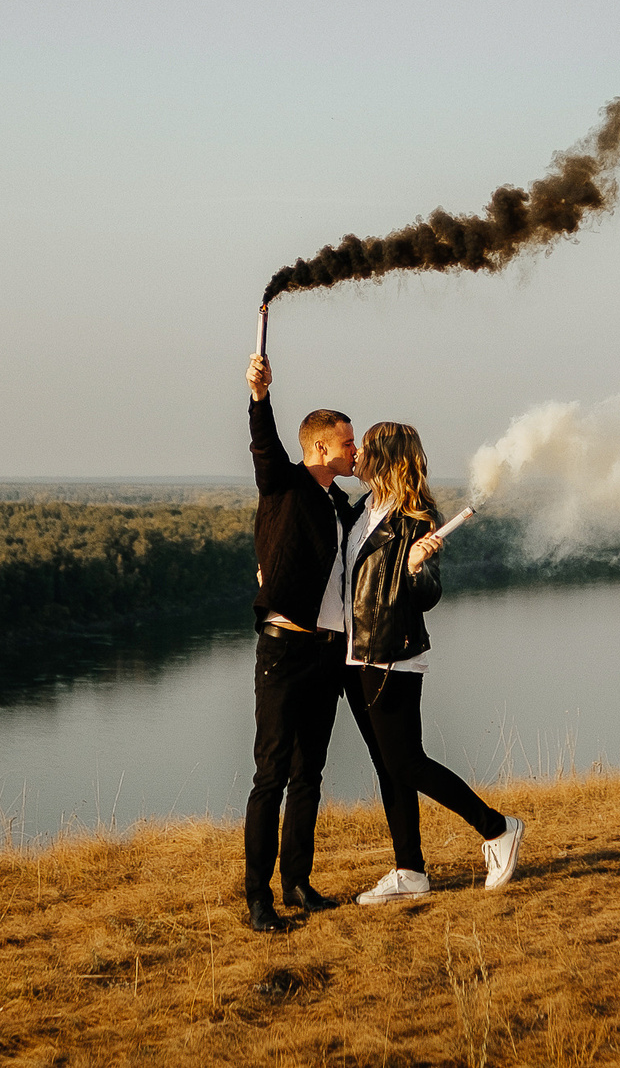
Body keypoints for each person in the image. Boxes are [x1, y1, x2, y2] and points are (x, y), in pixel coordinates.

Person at [334, 420, 525, 904]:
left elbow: (428, 595)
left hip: (391, 656)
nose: (355, 455)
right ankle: (410, 871)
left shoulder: (417, 517)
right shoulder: (365, 510)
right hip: (356, 656)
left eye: (366, 448)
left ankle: (498, 828)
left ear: (387, 456)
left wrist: (417, 566)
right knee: (389, 767)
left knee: (407, 762)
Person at [241, 350, 356, 933]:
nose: (353, 451)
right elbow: (263, 445)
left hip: (327, 654)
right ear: (319, 448)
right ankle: (258, 897)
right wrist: (260, 396)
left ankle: (298, 885)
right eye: (348, 444)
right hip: (285, 651)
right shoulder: (284, 483)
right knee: (271, 775)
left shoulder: (340, 504)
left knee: (309, 774)